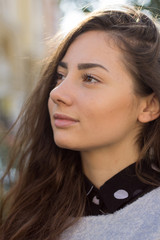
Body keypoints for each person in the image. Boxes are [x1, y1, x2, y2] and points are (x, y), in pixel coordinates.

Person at [0, 6, 160, 240]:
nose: (57, 93)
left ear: (149, 106)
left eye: (90, 78)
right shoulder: (33, 213)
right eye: (60, 76)